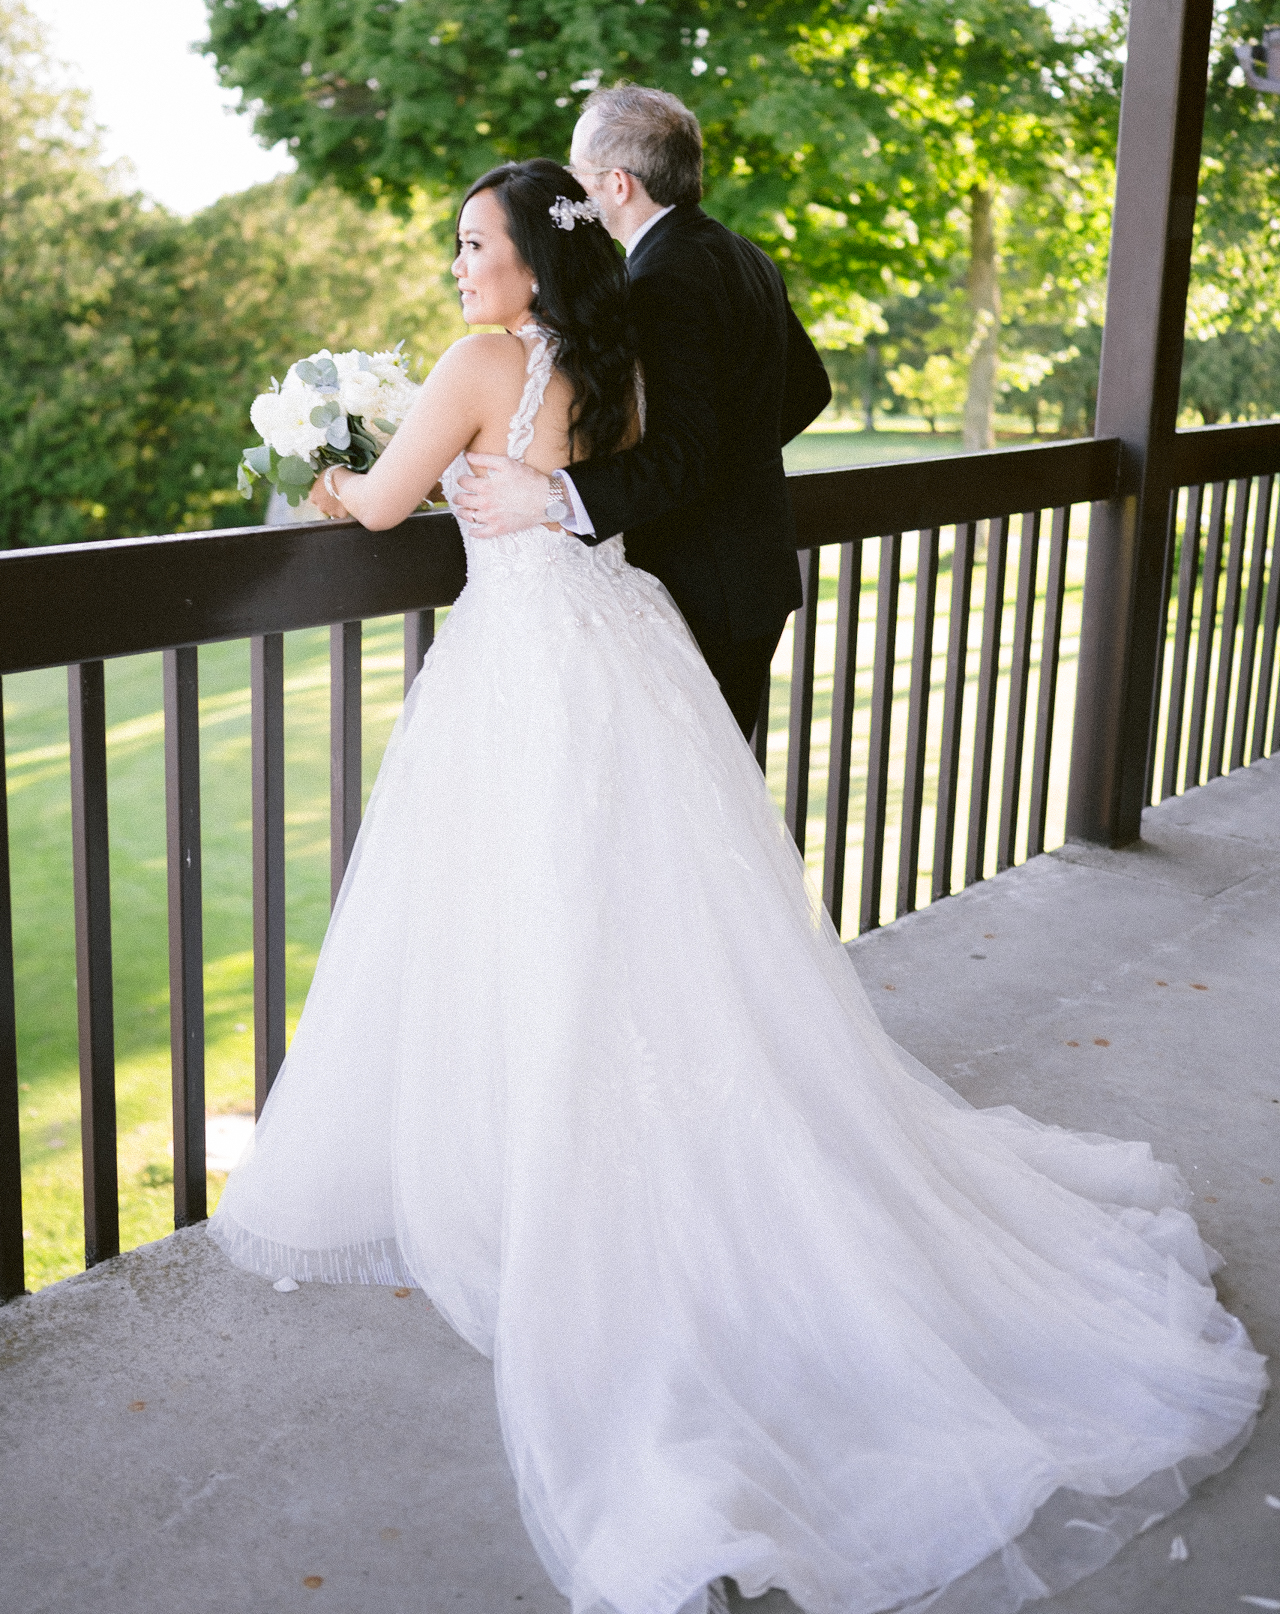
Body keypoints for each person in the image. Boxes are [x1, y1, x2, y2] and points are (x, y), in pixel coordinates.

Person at [211, 156, 1264, 1614]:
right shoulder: (610, 357)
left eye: (473, 243)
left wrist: (325, 464)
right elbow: (643, 464)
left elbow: (388, 508)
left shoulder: (477, 362)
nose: (459, 266)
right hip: (616, 641)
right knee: (636, 930)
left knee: (529, 923)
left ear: (528, 257)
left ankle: (551, 1167)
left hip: (525, 666)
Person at [451, 85, 832, 739]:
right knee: (721, 796)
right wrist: (731, 457)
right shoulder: (744, 255)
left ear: (618, 184)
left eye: (578, 175)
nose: (567, 190)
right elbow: (808, 389)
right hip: (753, 574)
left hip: (697, 583)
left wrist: (551, 495)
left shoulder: (659, 283)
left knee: (690, 809)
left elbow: (682, 454)